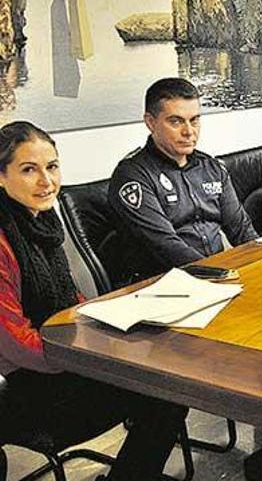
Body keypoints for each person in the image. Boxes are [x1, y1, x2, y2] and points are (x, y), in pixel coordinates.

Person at [0, 121, 187, 480]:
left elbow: (69, 298)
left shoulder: (40, 222)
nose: (46, 181)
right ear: (2, 176)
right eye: (29, 170)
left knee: (170, 383)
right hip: (26, 386)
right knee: (163, 392)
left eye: (52, 167)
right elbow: (14, 343)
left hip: (63, 360)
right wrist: (93, 356)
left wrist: (105, 320)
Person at [109, 78, 257, 282]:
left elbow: (242, 230)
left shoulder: (211, 167)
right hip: (164, 286)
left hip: (217, 276)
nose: (189, 131)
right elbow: (166, 247)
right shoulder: (133, 176)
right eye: (176, 121)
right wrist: (219, 275)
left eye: (194, 120)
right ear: (150, 122)